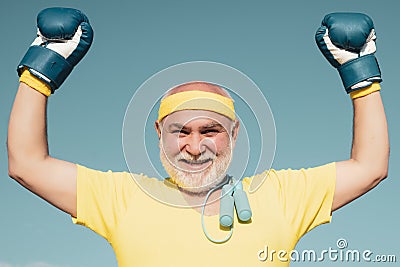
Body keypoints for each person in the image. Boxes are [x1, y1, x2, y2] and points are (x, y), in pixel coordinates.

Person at [7, 8, 389, 267]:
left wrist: (360, 75)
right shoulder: (122, 198)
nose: (193, 147)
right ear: (159, 134)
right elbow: (26, 164)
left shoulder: (282, 195)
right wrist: (42, 69)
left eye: (210, 131)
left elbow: (370, 167)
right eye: (180, 131)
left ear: (234, 134)